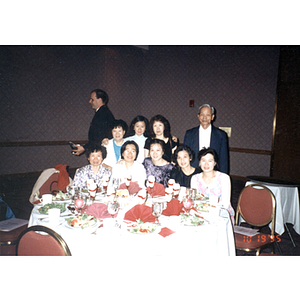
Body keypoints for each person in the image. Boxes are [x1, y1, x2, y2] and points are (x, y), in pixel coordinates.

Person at [190, 147, 234, 223]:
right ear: (199, 163)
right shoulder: (195, 178)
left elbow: (225, 204)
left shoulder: (224, 178)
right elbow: (194, 200)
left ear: (215, 163)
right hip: (201, 213)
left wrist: (210, 211)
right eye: (203, 160)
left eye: (210, 161)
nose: (206, 164)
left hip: (220, 214)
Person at [183, 104, 229, 174]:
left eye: (208, 115)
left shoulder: (221, 135)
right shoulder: (189, 134)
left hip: (213, 173)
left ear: (212, 117)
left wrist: (223, 176)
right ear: (198, 116)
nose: (204, 117)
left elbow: (224, 159)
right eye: (202, 114)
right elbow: (185, 155)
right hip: (193, 171)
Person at [72, 89, 115, 156]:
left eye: (92, 99)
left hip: (101, 152)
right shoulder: (102, 112)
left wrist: (84, 148)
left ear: (99, 100)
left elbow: (99, 137)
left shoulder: (102, 114)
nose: (89, 101)